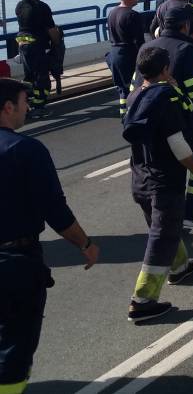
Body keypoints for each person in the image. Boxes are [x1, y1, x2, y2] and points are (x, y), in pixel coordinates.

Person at [0, 77, 99, 393]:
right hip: (15, 263)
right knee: (15, 343)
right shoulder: (25, 150)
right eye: (24, 101)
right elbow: (55, 211)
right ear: (8, 108)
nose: (28, 107)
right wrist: (85, 243)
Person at [123, 46, 193, 321]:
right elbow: (177, 143)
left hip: (141, 175)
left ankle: (180, 267)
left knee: (164, 226)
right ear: (165, 69)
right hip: (165, 178)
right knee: (161, 236)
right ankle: (143, 300)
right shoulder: (167, 98)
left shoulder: (134, 95)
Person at [127, 6, 193, 230]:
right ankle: (192, 214)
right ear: (185, 25)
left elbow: (133, 86)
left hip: (147, 123)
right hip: (181, 120)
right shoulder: (186, 49)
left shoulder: (146, 47)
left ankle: (163, 219)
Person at [14, 0, 60, 118]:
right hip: (36, 45)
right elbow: (52, 30)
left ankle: (25, 105)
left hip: (22, 44)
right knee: (42, 78)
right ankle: (39, 107)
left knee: (29, 76)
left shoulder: (20, 5)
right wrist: (57, 43)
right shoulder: (42, 7)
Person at [107, 0, 145, 104]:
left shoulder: (112, 13)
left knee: (123, 90)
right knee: (136, 89)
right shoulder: (132, 15)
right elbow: (139, 42)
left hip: (114, 56)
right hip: (129, 57)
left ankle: (125, 115)